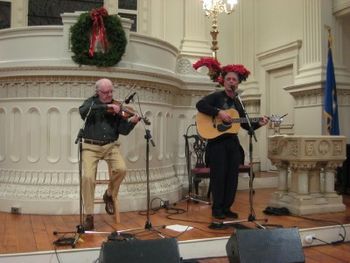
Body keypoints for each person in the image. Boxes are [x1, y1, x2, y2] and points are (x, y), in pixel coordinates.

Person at [196, 64, 268, 220]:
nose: (231, 81)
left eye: (234, 79)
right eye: (228, 79)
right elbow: (200, 105)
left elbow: (243, 123)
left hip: (232, 144)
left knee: (231, 177)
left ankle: (227, 207)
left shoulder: (238, 102)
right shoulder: (216, 96)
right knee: (219, 176)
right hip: (217, 144)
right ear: (224, 82)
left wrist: (258, 124)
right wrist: (219, 112)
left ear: (238, 83)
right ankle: (217, 209)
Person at [79, 78, 140, 230]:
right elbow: (83, 111)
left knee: (121, 169)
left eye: (111, 91)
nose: (109, 95)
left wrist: (132, 122)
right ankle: (89, 216)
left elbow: (123, 130)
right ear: (97, 92)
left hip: (110, 146)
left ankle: (109, 194)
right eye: (105, 92)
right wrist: (106, 107)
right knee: (87, 177)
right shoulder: (91, 103)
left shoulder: (118, 107)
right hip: (90, 146)